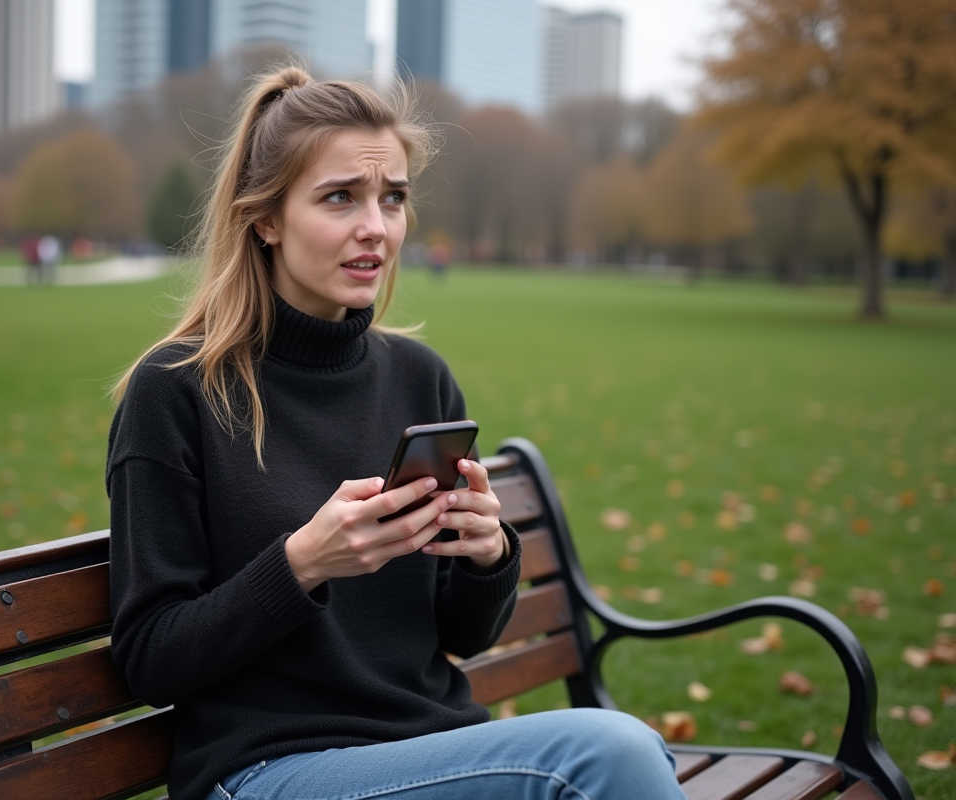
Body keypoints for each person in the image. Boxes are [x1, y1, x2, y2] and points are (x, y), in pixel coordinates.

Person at [106, 66, 687, 800]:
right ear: (266, 218)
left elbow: (462, 636)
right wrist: (301, 564)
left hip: (428, 750)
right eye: (340, 197)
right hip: (266, 770)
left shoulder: (419, 378)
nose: (375, 228)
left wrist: (486, 557)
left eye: (394, 199)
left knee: (619, 759)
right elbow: (151, 658)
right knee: (610, 758)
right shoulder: (178, 389)